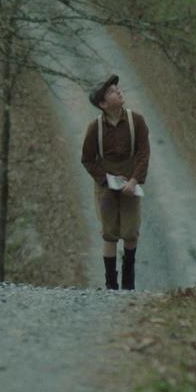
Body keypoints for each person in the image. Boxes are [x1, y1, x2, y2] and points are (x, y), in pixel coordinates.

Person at [80, 74, 150, 290]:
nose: (118, 91)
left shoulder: (136, 121)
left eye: (117, 88)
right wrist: (106, 181)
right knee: (109, 233)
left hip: (130, 184)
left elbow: (143, 154)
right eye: (111, 91)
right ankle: (111, 285)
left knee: (131, 232)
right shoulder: (95, 128)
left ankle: (128, 283)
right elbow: (87, 159)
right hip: (107, 188)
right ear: (103, 104)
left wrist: (134, 181)